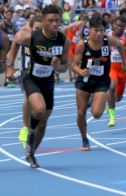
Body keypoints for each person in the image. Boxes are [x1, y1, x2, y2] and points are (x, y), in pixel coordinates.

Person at [8, 5, 70, 168]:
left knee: (44, 121)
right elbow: (15, 42)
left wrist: (58, 66)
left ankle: (31, 153)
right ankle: (30, 132)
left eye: (57, 21)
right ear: (43, 21)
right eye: (50, 21)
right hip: (30, 78)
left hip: (48, 81)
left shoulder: (63, 40)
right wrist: (9, 67)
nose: (54, 24)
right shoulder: (32, 36)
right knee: (39, 109)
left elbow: (65, 66)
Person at [72, 13, 126, 150]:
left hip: (101, 82)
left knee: (96, 114)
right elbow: (73, 65)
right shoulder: (82, 45)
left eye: (101, 30)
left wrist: (124, 63)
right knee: (81, 113)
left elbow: (120, 45)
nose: (98, 33)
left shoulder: (108, 41)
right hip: (84, 81)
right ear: (89, 29)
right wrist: (80, 71)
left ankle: (93, 101)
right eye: (96, 30)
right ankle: (84, 139)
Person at [6, 16, 43, 148]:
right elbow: (12, 50)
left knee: (41, 107)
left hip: (43, 74)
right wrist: (9, 67)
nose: (39, 32)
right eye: (36, 29)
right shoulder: (24, 35)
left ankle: (33, 130)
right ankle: (25, 127)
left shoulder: (49, 35)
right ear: (31, 27)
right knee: (28, 97)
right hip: (27, 73)